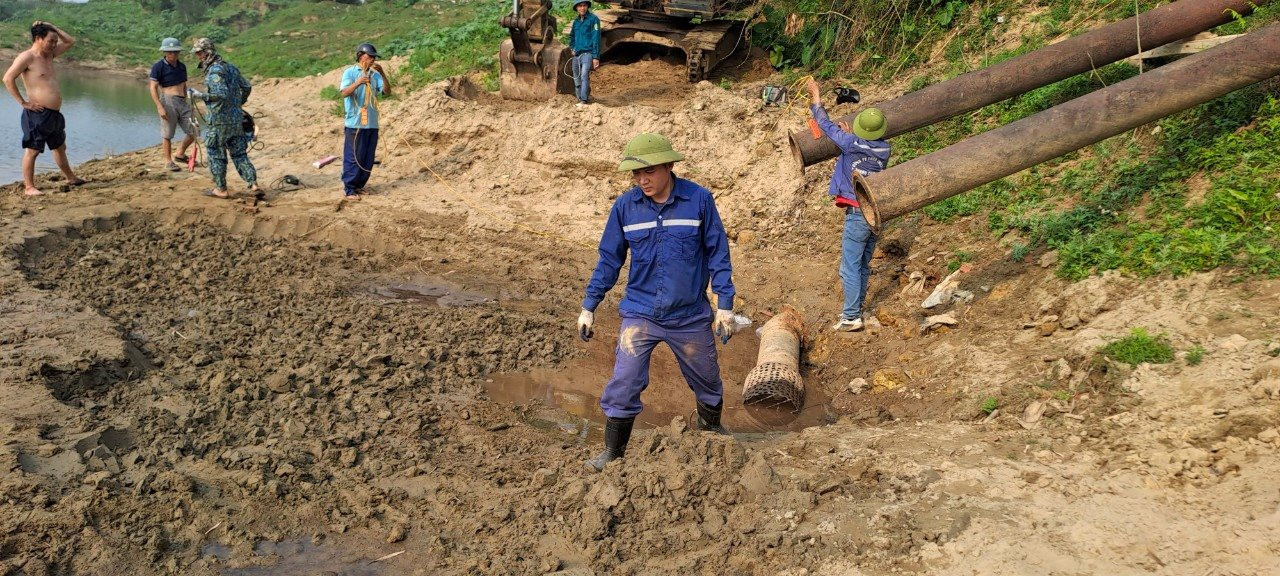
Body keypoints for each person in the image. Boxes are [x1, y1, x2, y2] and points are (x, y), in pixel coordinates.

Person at [578, 132, 738, 472]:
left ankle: (711, 430)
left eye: (648, 171)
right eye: (635, 174)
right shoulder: (626, 207)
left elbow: (717, 253)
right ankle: (613, 452)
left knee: (708, 380)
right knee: (625, 381)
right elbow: (609, 260)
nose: (642, 180)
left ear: (668, 165)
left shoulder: (699, 200)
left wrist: (724, 304)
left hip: (690, 315)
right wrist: (589, 306)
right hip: (641, 313)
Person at [805, 77, 890, 332]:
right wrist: (851, 135)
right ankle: (857, 310)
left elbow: (825, 125)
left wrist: (816, 95)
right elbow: (861, 150)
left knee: (849, 266)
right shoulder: (885, 149)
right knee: (862, 264)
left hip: (857, 212)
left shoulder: (851, 143)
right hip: (876, 212)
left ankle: (851, 316)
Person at [3, 21, 85, 196]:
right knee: (32, 150)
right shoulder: (27, 57)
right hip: (37, 114)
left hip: (54, 114)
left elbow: (70, 41)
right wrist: (23, 102)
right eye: (51, 41)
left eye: (55, 41)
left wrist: (51, 25)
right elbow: (7, 79)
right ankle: (29, 187)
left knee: (60, 147)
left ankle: (70, 177)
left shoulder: (50, 55)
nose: (54, 44)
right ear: (38, 38)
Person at [186, 38, 259, 199]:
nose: (198, 56)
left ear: (207, 52)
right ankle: (253, 185)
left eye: (199, 53)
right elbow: (246, 87)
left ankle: (221, 189)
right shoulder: (230, 68)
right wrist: (238, 104)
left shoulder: (215, 71)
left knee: (215, 153)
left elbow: (221, 94)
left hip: (219, 121)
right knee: (239, 154)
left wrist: (200, 96)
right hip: (236, 120)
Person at [338, 43, 391, 200]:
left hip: (371, 124)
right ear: (361, 57)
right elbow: (344, 93)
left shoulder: (375, 76)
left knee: (367, 157)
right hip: (355, 123)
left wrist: (383, 74)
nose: (373, 60)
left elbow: (387, 92)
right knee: (354, 156)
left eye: (374, 57)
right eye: (370, 57)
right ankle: (349, 189)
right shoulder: (350, 72)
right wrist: (358, 82)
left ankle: (359, 186)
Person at [148, 37, 196, 172]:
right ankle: (168, 161)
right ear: (164, 52)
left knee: (194, 131)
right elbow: (153, 87)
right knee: (167, 134)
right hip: (168, 101)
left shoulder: (182, 66)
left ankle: (180, 154)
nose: (172, 54)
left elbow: (184, 85)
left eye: (175, 51)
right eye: (169, 52)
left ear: (178, 52)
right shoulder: (158, 66)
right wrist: (159, 106)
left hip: (182, 101)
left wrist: (188, 102)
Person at [566, 0, 600, 107]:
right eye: (580, 6)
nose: (582, 8)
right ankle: (580, 98)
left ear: (587, 6)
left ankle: (583, 101)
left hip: (588, 53)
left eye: (584, 5)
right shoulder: (576, 22)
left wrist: (595, 57)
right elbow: (571, 36)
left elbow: (596, 39)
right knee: (576, 77)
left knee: (584, 75)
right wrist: (572, 47)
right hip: (576, 55)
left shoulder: (593, 20)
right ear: (576, 8)